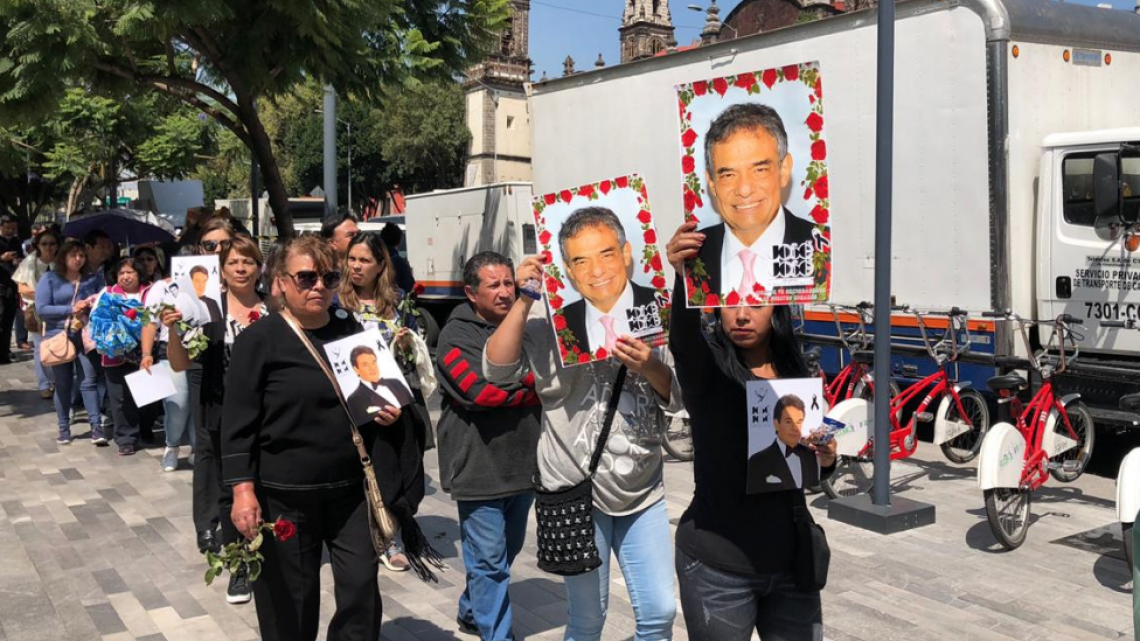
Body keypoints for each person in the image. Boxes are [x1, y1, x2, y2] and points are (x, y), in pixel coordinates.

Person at [221, 236, 423, 641]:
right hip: (284, 494)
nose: (319, 286)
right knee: (290, 597)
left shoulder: (352, 330)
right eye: (306, 277)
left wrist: (389, 414)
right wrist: (243, 491)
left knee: (360, 589)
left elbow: (378, 395)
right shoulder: (259, 341)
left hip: (350, 492)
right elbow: (238, 422)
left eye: (329, 277)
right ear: (280, 282)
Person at [485, 255, 682, 641]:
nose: (598, 265)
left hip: (643, 487)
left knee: (660, 612)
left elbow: (676, 396)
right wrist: (523, 299)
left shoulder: (649, 301)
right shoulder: (546, 305)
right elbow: (496, 369)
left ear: (625, 251)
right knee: (589, 617)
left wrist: (650, 366)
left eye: (608, 250)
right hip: (577, 488)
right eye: (582, 254)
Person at [666, 221, 836, 641]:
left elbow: (809, 471)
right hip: (717, 568)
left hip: (792, 566)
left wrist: (828, 458)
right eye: (731, 303)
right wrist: (683, 274)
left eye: (756, 303)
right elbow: (683, 341)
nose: (741, 314)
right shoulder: (706, 372)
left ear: (776, 308)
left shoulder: (800, 371)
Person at [437, 251, 541, 640]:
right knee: (488, 562)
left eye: (508, 283)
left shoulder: (528, 325)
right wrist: (533, 390)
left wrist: (525, 385)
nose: (503, 292)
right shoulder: (455, 334)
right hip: (477, 468)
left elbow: (548, 376)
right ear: (471, 292)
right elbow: (479, 393)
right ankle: (498, 634)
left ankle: (471, 609)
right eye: (493, 285)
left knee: (506, 552)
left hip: (522, 463)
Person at [166, 234, 267, 606]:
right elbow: (179, 363)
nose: (241, 268)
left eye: (249, 261)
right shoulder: (205, 310)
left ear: (260, 267)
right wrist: (176, 329)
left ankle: (269, 553)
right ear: (221, 270)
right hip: (220, 413)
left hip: (269, 416)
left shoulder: (275, 307)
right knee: (230, 492)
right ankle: (239, 565)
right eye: (233, 263)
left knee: (267, 486)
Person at [339, 230, 435, 572]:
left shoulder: (398, 302)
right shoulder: (337, 304)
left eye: (365, 260)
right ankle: (385, 538)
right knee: (370, 470)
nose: (356, 267)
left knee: (402, 468)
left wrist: (408, 340)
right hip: (353, 402)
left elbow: (412, 354)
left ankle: (397, 525)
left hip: (395, 400)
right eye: (352, 258)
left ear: (382, 265)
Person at [696, 103, 818, 302]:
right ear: (712, 182)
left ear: (784, 170)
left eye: (759, 170)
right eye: (728, 174)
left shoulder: (821, 248)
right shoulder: (694, 256)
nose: (744, 190)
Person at [557, 207, 662, 355]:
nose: (597, 271)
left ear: (625, 253)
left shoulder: (665, 305)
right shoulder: (558, 326)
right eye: (582, 262)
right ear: (569, 268)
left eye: (606, 255)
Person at [35, 239, 105, 445]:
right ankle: (64, 428)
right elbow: (42, 309)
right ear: (63, 257)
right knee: (63, 384)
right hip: (59, 336)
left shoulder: (92, 279)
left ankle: (96, 427)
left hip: (84, 336)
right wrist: (71, 308)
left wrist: (90, 305)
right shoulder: (50, 278)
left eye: (81, 255)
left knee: (89, 381)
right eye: (73, 255)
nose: (78, 259)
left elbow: (103, 302)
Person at [92, 258, 154, 456]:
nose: (126, 277)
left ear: (139, 274)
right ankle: (125, 438)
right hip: (115, 355)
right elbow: (96, 319)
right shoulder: (108, 293)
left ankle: (145, 430)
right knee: (119, 398)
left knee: (147, 397)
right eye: (122, 273)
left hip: (144, 353)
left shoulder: (151, 292)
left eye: (131, 272)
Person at [13, 229, 60, 397]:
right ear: (37, 245)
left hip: (59, 310)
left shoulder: (62, 262)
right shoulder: (29, 262)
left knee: (58, 345)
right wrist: (42, 296)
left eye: (52, 243)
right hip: (36, 311)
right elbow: (21, 287)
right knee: (40, 348)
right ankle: (44, 384)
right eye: (44, 244)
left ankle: (58, 380)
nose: (48, 247)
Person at [745, 395, 822, 493]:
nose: (795, 428)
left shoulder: (810, 455)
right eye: (788, 422)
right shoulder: (757, 461)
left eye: (799, 422)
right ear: (776, 424)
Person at [345, 345, 414, 420]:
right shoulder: (354, 399)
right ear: (356, 369)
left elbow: (412, 407)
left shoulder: (396, 382)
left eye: (373, 362)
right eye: (365, 365)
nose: (372, 368)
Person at [0, 214, 25, 364]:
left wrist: (18, 261)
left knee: (9, 320)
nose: (11, 231)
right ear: (1, 226)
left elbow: (20, 258)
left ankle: (5, 350)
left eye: (13, 228)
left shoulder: (16, 242)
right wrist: (2, 258)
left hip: (12, 284)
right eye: (8, 228)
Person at [380, 222, 415, 293]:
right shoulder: (399, 262)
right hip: (393, 300)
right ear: (398, 241)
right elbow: (409, 284)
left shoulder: (373, 259)